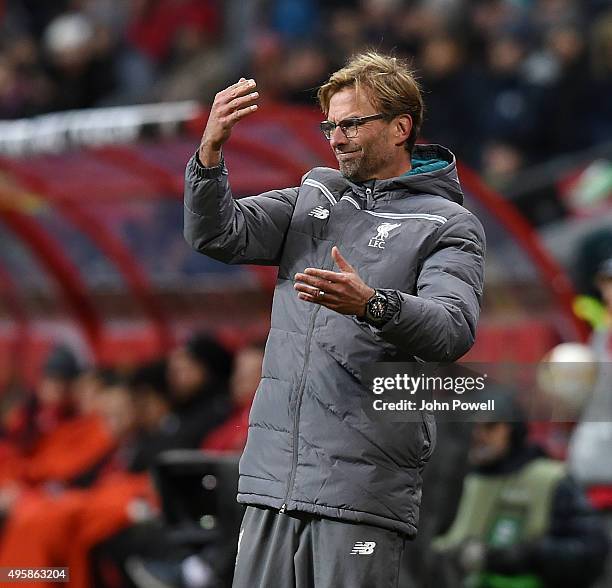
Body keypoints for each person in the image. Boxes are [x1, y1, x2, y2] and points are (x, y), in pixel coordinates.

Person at [184, 52, 486, 587]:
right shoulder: (314, 196)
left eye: (351, 123)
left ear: (400, 127)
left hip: (360, 490)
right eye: (330, 125)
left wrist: (373, 304)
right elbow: (218, 233)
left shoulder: (446, 224)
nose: (336, 137)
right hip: (273, 480)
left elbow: (451, 329)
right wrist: (209, 154)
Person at [429, 398, 610, 588]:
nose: (479, 435)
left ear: (512, 429)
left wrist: (532, 555)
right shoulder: (462, 479)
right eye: (473, 427)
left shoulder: (549, 479)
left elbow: (592, 549)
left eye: (490, 426)